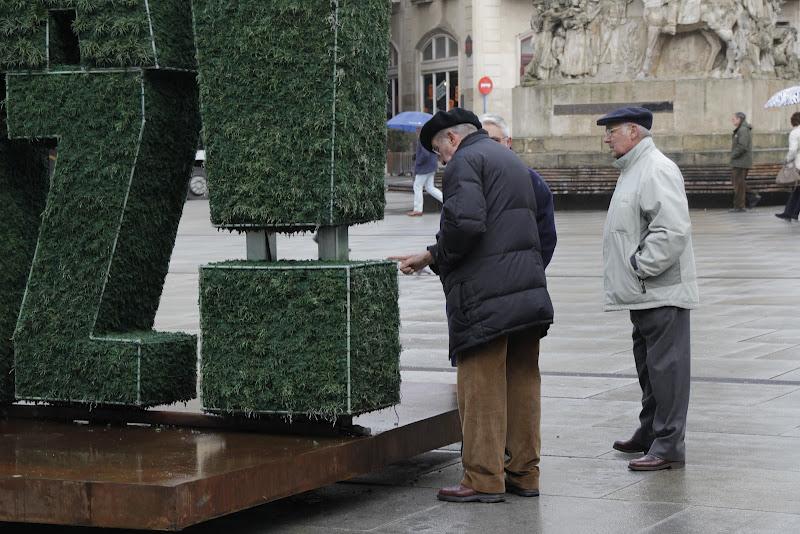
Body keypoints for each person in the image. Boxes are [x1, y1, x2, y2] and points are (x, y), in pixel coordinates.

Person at [390, 108, 554, 502]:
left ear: (451, 140)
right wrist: (430, 255)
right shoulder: (509, 159)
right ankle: (524, 473)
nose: (441, 158)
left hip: (486, 296)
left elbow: (465, 225)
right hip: (526, 291)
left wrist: (439, 256)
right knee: (522, 381)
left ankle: (482, 477)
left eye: (438, 149)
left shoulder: (465, 162)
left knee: (480, 385)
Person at [597, 106, 699, 471]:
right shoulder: (634, 169)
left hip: (660, 290)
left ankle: (668, 443)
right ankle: (651, 432)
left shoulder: (656, 168)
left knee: (667, 370)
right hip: (644, 292)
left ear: (634, 133)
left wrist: (641, 267)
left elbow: (671, 230)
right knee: (650, 369)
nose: (606, 138)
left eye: (612, 131)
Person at [479, 113, 557, 267]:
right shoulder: (467, 180)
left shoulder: (532, 181)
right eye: (483, 141)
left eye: (495, 141)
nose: (488, 146)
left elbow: (546, 235)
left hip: (520, 275)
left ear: (508, 142)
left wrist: (532, 269)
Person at [730, 111, 760, 212]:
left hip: (741, 162)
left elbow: (742, 146)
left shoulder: (742, 130)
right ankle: (750, 198)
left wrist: (733, 155)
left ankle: (740, 206)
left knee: (738, 184)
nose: (732, 120)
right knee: (739, 183)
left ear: (739, 119)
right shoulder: (742, 129)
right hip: (740, 161)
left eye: (734, 118)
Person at [408, 128, 442, 216]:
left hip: (424, 168)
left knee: (417, 186)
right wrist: (416, 155)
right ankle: (447, 201)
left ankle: (418, 210)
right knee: (430, 187)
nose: (416, 131)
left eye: (417, 129)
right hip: (432, 166)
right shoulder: (430, 138)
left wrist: (418, 162)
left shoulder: (422, 139)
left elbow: (425, 154)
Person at [776, 111, 800, 221]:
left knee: (797, 189)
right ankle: (791, 212)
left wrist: (786, 160)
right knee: (797, 190)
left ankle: (790, 212)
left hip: (799, 164)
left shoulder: (795, 132)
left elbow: (793, 150)